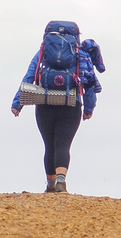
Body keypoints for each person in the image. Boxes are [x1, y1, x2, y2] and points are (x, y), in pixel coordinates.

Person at [11, 33, 105, 193]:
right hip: (71, 104)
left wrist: (18, 103)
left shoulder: (43, 52)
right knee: (63, 144)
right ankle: (61, 182)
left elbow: (29, 76)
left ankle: (50, 185)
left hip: (44, 103)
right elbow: (88, 82)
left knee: (49, 145)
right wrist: (89, 108)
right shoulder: (80, 54)